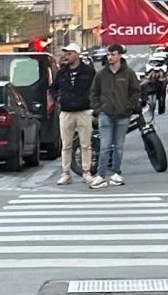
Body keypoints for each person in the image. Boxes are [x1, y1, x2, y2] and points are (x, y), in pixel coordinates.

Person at [89, 42, 142, 188]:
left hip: (123, 115)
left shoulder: (128, 73)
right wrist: (99, 109)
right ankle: (100, 175)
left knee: (119, 146)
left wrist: (129, 107)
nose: (110, 57)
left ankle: (116, 173)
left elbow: (135, 92)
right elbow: (94, 92)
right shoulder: (101, 74)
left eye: (113, 54)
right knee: (105, 146)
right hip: (105, 114)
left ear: (119, 56)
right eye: (108, 54)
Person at [49, 41, 95, 185]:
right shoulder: (62, 72)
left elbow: (96, 88)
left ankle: (86, 172)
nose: (67, 56)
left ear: (77, 55)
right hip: (66, 111)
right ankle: (66, 173)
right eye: (66, 53)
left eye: (69, 53)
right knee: (66, 144)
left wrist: (92, 103)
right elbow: (53, 88)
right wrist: (58, 98)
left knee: (85, 144)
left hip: (84, 110)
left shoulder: (88, 71)